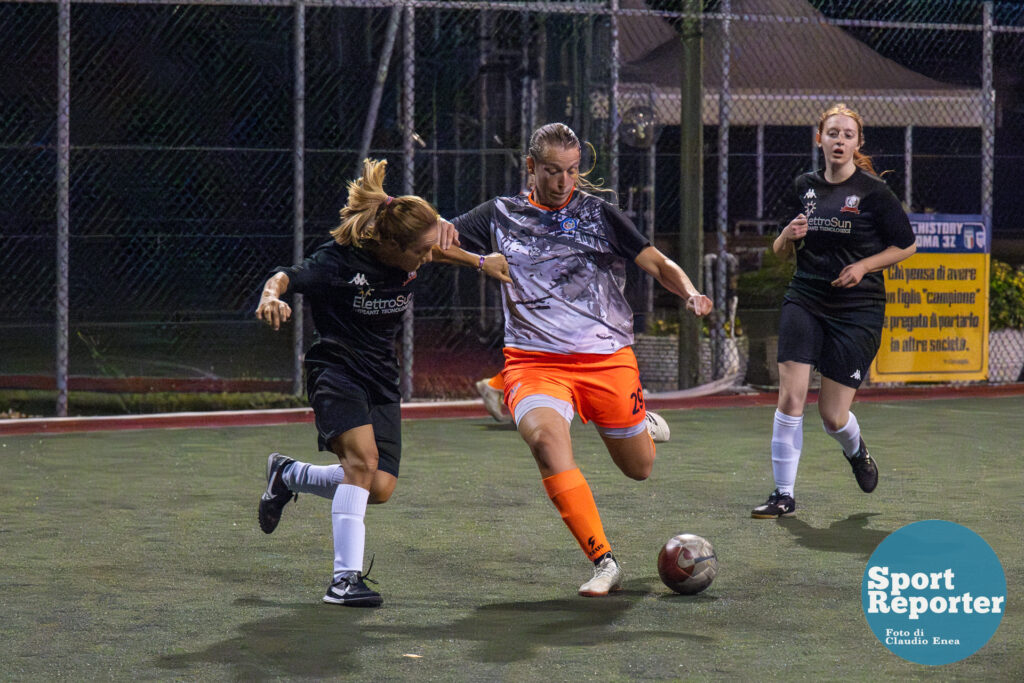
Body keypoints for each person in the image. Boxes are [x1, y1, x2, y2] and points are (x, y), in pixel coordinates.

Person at [452, 122, 713, 596]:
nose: (563, 182)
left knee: (639, 469)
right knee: (546, 443)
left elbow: (655, 262)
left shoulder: (598, 214)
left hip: (606, 360)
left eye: (572, 172)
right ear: (531, 167)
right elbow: (437, 239)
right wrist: (471, 258)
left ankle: (642, 422)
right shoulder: (499, 214)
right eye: (552, 171)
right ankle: (604, 561)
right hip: (534, 362)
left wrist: (691, 291)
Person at [255, 158, 510, 606]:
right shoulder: (338, 263)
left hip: (379, 373)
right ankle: (343, 581)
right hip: (336, 369)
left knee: (380, 487)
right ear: (391, 245)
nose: (429, 258)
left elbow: (438, 248)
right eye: (421, 253)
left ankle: (288, 474)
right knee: (362, 462)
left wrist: (477, 262)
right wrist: (270, 295)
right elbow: (288, 275)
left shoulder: (413, 248)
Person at [751, 104, 917, 519]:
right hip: (805, 298)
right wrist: (787, 235)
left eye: (847, 135)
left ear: (857, 143)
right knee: (790, 397)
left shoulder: (875, 192)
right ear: (819, 139)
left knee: (832, 415)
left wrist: (863, 266)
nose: (839, 140)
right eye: (832, 133)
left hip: (857, 310)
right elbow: (778, 249)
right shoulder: (803, 186)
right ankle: (783, 494)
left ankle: (856, 450)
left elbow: (907, 244)